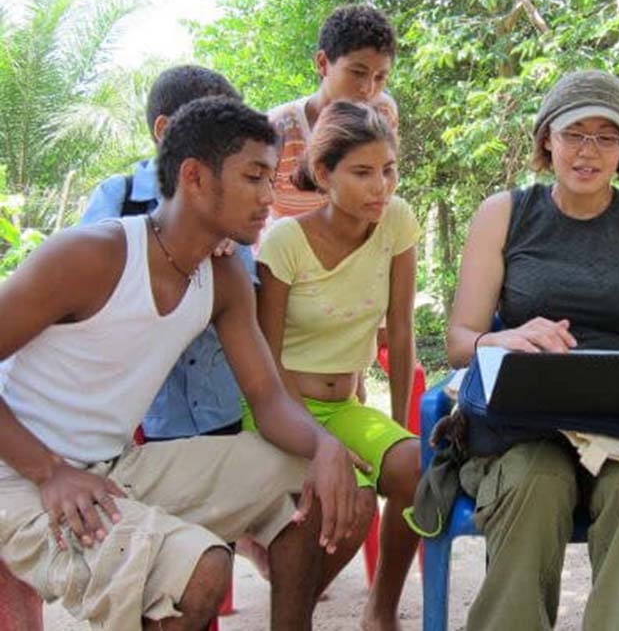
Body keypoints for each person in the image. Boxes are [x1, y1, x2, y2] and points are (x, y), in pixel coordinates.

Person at [0, 96, 374, 630]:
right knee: (201, 572)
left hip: (113, 468)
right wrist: (49, 471)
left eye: (271, 179)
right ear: (194, 177)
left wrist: (324, 445)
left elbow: (267, 399)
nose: (269, 197)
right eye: (254, 178)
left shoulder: (223, 278)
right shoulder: (92, 256)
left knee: (332, 487)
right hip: (21, 477)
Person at [446, 70, 619, 630]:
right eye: (574, 133)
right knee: (533, 482)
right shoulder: (505, 213)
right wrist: (501, 339)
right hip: (527, 427)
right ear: (547, 139)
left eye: (607, 136)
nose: (588, 150)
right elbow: (460, 342)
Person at [248, 100, 421, 631]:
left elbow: (402, 329)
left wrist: (399, 429)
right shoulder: (285, 242)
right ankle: (292, 613)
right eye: (362, 173)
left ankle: (380, 610)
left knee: (414, 466)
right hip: (280, 408)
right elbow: (266, 358)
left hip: (343, 406)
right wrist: (319, 443)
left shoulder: (397, 221)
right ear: (324, 175)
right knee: (349, 501)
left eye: (388, 170)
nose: (380, 187)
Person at [79, 64, 253, 442]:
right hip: (140, 418)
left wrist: (230, 253)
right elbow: (87, 302)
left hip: (218, 409)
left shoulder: (232, 211)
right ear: (164, 129)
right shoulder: (117, 199)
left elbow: (244, 311)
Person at [268, 4, 398, 220]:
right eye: (358, 72)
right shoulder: (279, 127)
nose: (368, 89)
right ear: (322, 63)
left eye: (380, 77)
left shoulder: (383, 112)